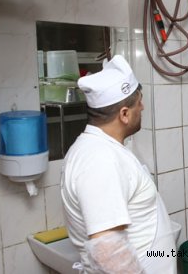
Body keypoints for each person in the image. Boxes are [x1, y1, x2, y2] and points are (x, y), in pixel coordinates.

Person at [61, 55, 176, 274]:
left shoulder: (102, 149)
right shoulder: (99, 159)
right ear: (124, 114)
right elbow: (108, 249)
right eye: (138, 102)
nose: (142, 107)